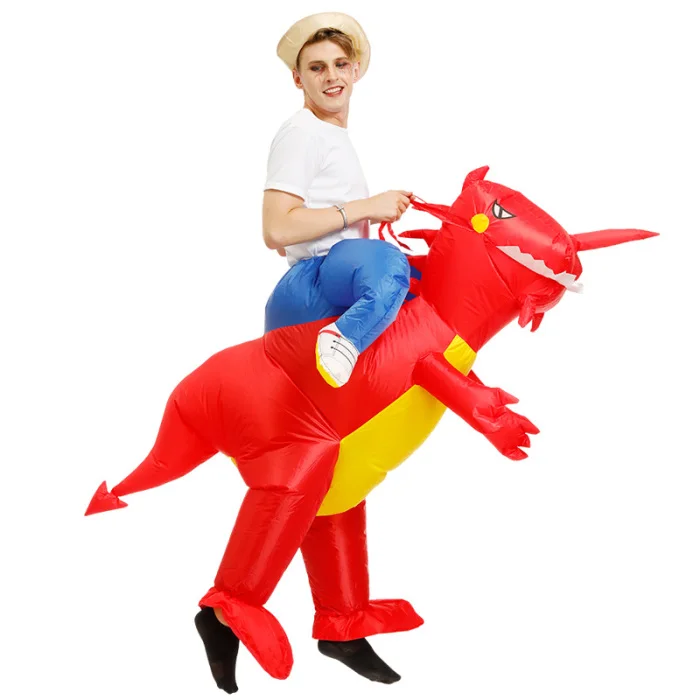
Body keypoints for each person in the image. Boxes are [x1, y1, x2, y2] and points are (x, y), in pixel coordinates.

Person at [262, 12, 413, 388]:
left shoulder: (328, 136)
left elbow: (289, 235)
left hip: (327, 276)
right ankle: (342, 338)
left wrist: (359, 217)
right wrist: (367, 207)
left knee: (420, 283)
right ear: (298, 79)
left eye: (340, 64)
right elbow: (276, 229)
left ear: (355, 70)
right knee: (391, 264)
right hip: (315, 283)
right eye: (317, 68)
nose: (331, 76)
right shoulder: (302, 131)